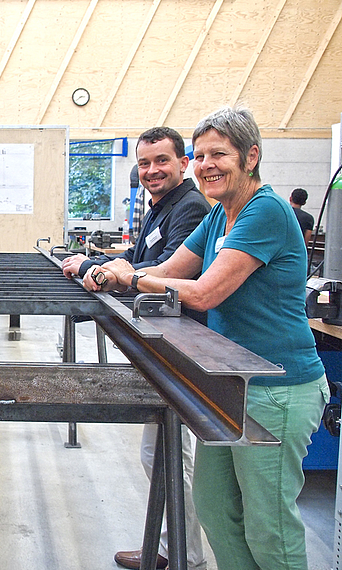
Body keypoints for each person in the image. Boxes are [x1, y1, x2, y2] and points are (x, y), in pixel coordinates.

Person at [87, 107, 329, 570]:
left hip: (277, 389)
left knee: (268, 525)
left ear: (251, 156)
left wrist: (132, 281)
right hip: (231, 384)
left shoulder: (267, 211)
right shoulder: (219, 214)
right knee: (217, 512)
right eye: (199, 156)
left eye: (218, 154)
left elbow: (203, 292)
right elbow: (169, 269)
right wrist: (119, 271)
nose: (205, 165)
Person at [63, 126, 211, 570]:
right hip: (164, 341)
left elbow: (163, 270)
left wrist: (100, 268)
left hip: (182, 342)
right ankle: (170, 548)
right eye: (144, 163)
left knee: (168, 454)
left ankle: (183, 555)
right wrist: (109, 267)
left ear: (183, 163)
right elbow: (140, 262)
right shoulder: (161, 206)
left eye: (161, 161)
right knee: (159, 452)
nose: (151, 171)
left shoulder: (190, 207)